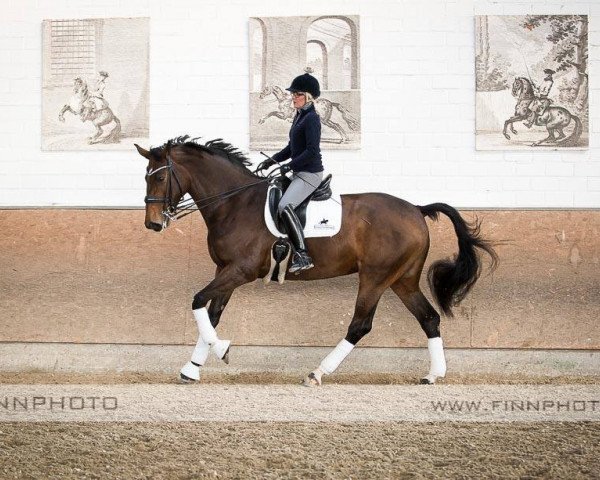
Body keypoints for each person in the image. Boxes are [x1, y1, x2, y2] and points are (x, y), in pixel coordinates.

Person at [257, 71, 324, 273]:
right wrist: (271, 161)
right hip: (298, 172)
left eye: (297, 94)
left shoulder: (311, 118)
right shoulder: (299, 116)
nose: (293, 97)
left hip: (309, 174)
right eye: (293, 94)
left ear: (309, 97)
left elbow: (311, 151)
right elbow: (291, 148)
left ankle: (302, 255)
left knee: (285, 205)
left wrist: (290, 165)